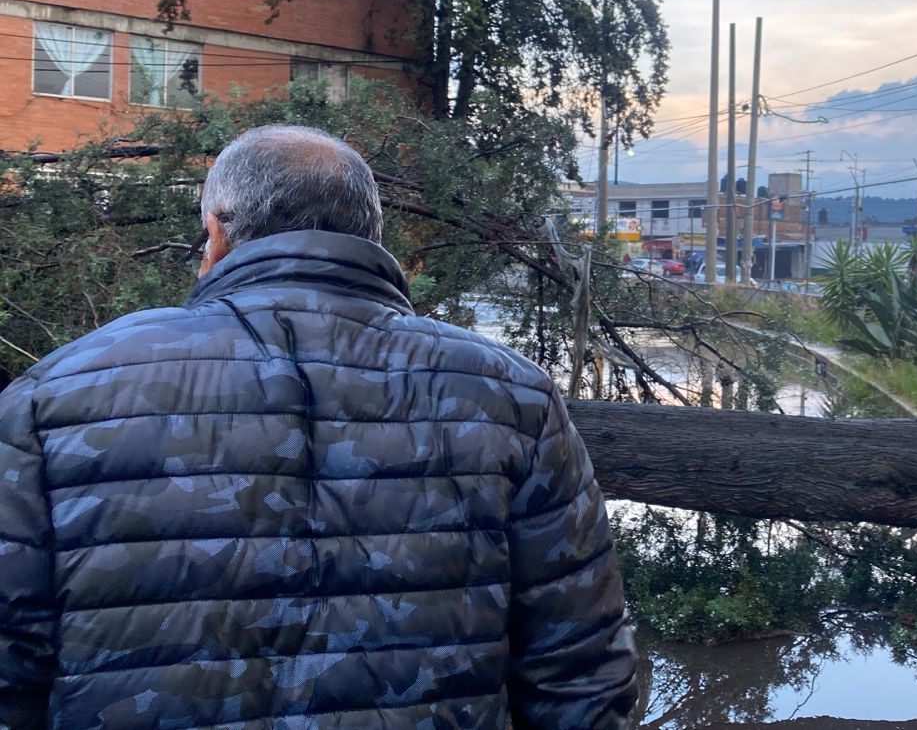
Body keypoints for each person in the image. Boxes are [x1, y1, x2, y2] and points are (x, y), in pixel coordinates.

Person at [0, 125, 636, 728]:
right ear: (371, 235)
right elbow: (579, 669)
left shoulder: (53, 394)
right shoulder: (511, 394)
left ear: (214, 234)